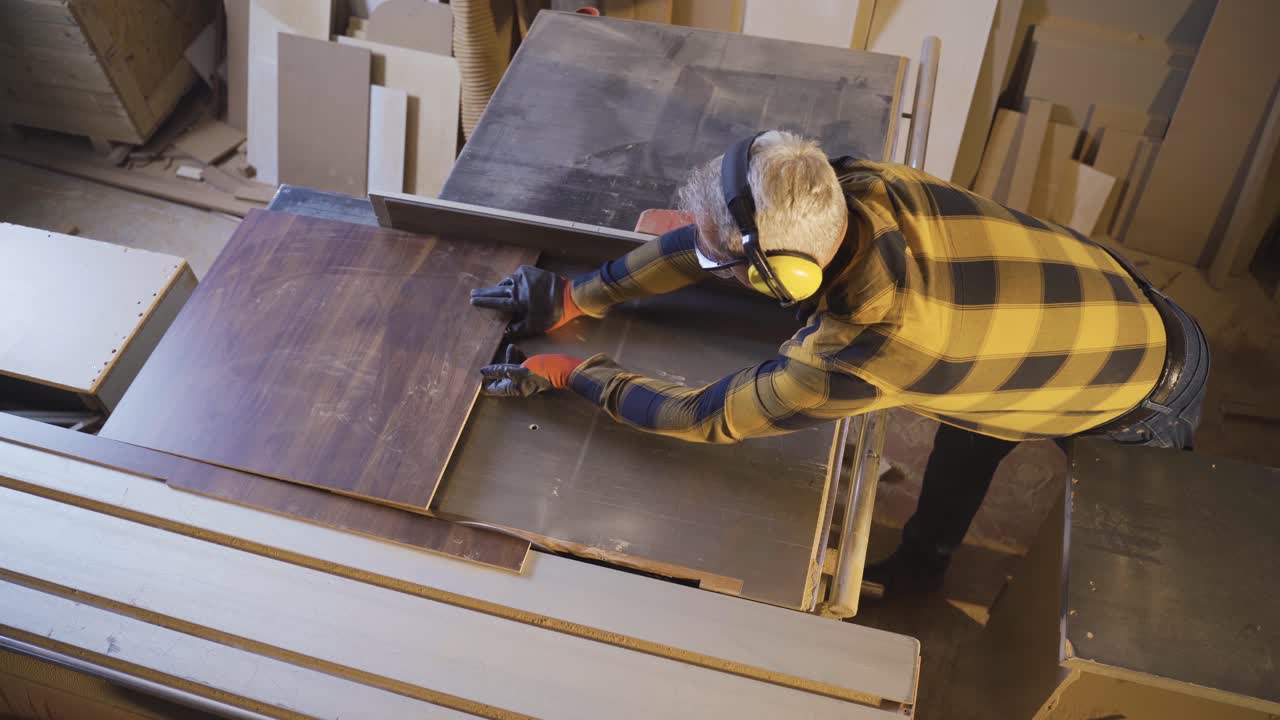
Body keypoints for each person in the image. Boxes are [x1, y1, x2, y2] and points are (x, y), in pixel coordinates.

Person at [469, 130, 1209, 596]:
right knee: (971, 424)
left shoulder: (871, 347)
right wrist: (578, 295)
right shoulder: (853, 186)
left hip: (1139, 392)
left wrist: (575, 375)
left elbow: (703, 416)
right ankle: (924, 567)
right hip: (1093, 298)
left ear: (779, 281)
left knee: (1098, 575)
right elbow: (711, 242)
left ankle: (951, 576)